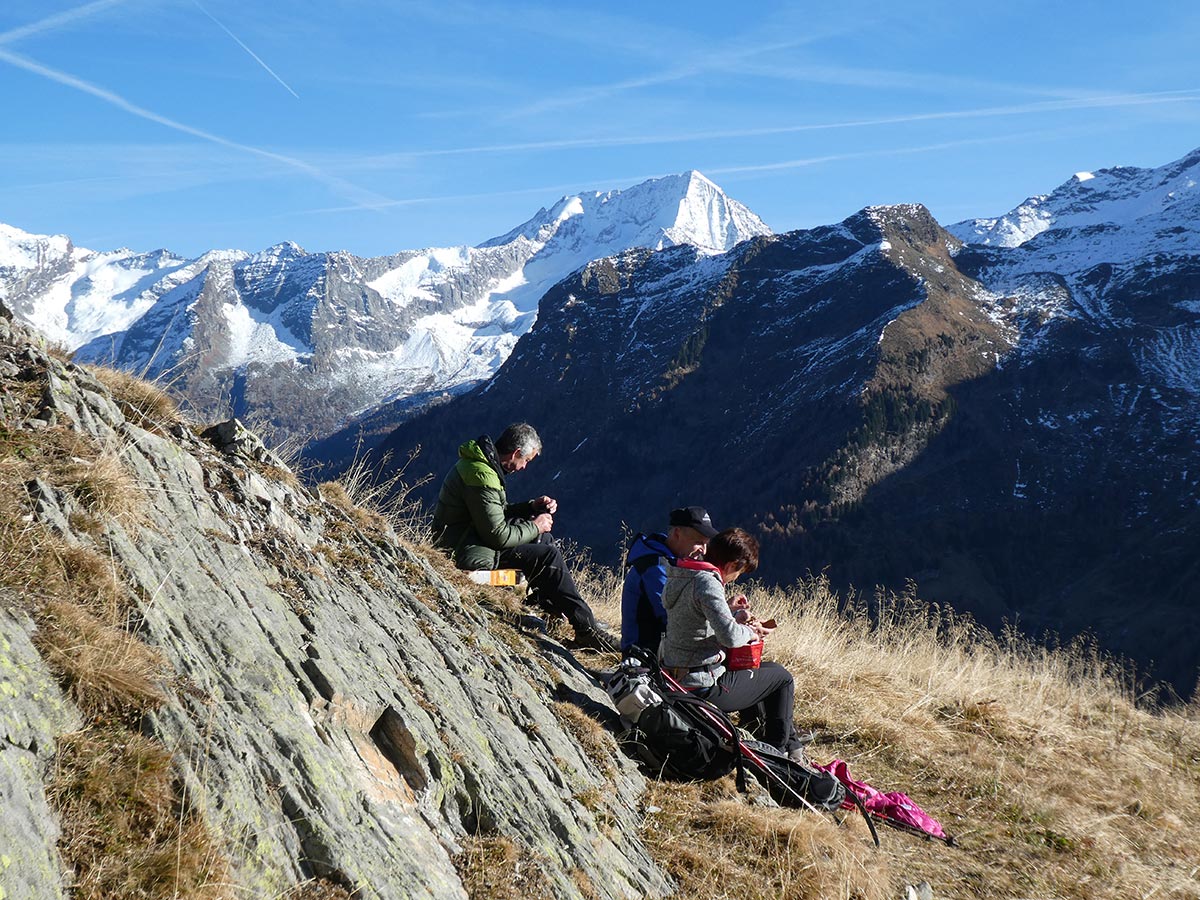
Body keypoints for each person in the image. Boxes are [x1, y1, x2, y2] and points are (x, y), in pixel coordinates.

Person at [430, 422, 618, 651]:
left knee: (544, 542)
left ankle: (554, 611)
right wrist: (536, 526)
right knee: (547, 555)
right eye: (526, 460)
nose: (524, 467)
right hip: (466, 551)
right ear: (516, 453)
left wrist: (530, 507)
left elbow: (490, 513)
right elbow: (497, 535)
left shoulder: (482, 467)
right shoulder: (482, 475)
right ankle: (587, 631)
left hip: (468, 539)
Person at [659, 527, 806, 760]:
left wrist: (727, 610)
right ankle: (778, 751)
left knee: (757, 673)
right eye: (740, 572)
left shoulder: (682, 573)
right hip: (702, 688)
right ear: (731, 565)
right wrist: (751, 631)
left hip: (676, 678)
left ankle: (780, 740)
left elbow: (692, 619)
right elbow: (729, 637)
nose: (736, 577)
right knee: (781, 677)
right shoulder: (708, 582)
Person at [620, 506, 718, 653]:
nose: (703, 550)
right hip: (645, 658)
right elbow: (675, 618)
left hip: (662, 651)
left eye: (706, 543)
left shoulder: (672, 559)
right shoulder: (654, 567)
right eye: (698, 542)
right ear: (677, 534)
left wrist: (724, 609)